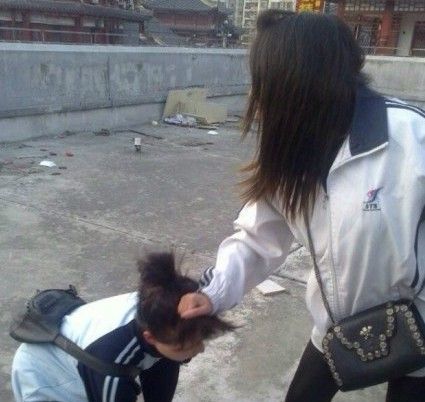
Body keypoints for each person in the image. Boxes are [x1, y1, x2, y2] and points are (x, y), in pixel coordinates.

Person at [178, 10, 425, 402]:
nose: (256, 97)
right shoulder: (292, 151)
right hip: (335, 329)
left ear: (298, 81)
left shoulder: (412, 138)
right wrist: (213, 294)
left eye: (264, 82)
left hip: (418, 331)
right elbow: (256, 239)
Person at [11, 252, 233, 402]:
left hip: (82, 357)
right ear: (150, 337)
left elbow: (162, 370)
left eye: (200, 340)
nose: (200, 349)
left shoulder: (164, 313)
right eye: (185, 346)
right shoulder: (112, 361)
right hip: (48, 377)